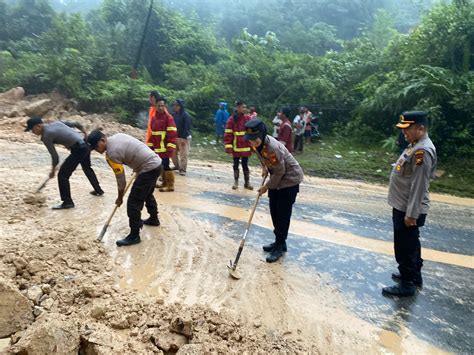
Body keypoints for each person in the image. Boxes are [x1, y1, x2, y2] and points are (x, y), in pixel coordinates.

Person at [383, 111, 437, 297]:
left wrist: (411, 214)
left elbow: (419, 186)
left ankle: (407, 284)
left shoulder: (422, 151)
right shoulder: (415, 145)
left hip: (408, 208)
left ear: (421, 129)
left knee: (404, 246)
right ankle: (414, 275)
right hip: (403, 205)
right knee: (412, 243)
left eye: (408, 129)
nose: (404, 133)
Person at [87, 130, 162, 247]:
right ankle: (153, 219)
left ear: (103, 140)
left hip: (148, 167)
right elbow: (134, 151)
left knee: (133, 202)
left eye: (96, 147)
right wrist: (138, 165)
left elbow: (121, 180)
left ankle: (134, 235)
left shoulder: (111, 154)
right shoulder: (118, 136)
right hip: (157, 164)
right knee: (146, 194)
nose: (96, 150)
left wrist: (120, 197)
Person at [244, 119, 304, 263]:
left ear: (263, 134)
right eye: (250, 139)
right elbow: (261, 157)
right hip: (277, 179)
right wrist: (265, 167)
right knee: (274, 212)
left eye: (254, 139)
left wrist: (266, 187)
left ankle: (279, 246)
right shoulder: (257, 143)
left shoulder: (272, 148)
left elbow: (280, 172)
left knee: (282, 215)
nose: (252, 142)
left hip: (289, 180)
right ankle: (280, 243)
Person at [25, 117, 103, 209]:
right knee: (87, 167)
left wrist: (53, 171)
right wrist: (85, 133)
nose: (32, 132)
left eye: (32, 129)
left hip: (78, 149)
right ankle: (98, 190)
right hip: (85, 144)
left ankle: (67, 202)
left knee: (63, 175)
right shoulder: (56, 123)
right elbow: (76, 123)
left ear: (38, 126)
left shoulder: (46, 136)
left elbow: (55, 157)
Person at [146, 96, 177, 192]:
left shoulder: (169, 118)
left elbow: (172, 134)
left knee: (166, 165)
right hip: (157, 148)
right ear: (155, 106)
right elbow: (152, 134)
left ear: (165, 106)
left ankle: (170, 185)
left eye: (162, 106)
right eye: (158, 106)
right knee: (161, 166)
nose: (160, 108)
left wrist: (170, 148)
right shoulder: (154, 118)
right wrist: (149, 146)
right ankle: (164, 182)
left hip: (165, 148)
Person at [224, 101, 253, 190]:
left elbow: (252, 133)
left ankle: (247, 183)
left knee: (245, 164)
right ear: (237, 108)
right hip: (236, 146)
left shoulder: (248, 118)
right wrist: (228, 147)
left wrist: (252, 146)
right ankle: (236, 182)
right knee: (235, 164)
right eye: (243, 107)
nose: (244, 109)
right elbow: (228, 134)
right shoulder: (231, 120)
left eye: (245, 107)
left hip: (245, 146)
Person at [171, 99, 192, 176]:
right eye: (174, 105)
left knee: (183, 154)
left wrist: (183, 138)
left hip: (184, 137)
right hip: (175, 137)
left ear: (181, 106)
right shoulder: (174, 115)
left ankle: (183, 169)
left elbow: (187, 127)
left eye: (177, 105)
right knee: (173, 153)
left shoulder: (186, 115)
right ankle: (177, 166)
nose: (175, 107)